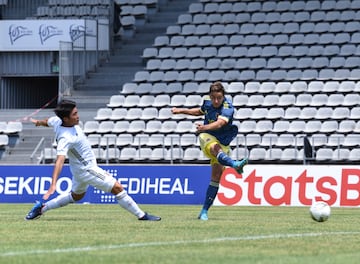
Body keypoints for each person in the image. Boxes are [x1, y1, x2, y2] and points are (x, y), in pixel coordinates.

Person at [25, 99, 161, 221]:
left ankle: (41, 208)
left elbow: (47, 121)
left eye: (77, 112)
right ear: (66, 119)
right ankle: (142, 215)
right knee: (117, 187)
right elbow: (60, 160)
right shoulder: (66, 137)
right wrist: (53, 184)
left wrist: (38, 123)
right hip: (87, 169)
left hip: (78, 169)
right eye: (74, 115)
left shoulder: (57, 121)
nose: (78, 117)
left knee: (76, 196)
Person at [171, 81, 248, 221]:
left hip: (223, 141)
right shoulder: (207, 102)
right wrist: (181, 110)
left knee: (216, 177)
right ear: (210, 96)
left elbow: (220, 123)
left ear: (223, 96)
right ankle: (235, 164)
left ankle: (204, 211)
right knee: (214, 147)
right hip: (207, 137)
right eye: (213, 98)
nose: (216, 101)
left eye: (219, 97)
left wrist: (204, 127)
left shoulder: (228, 107)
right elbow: (200, 111)